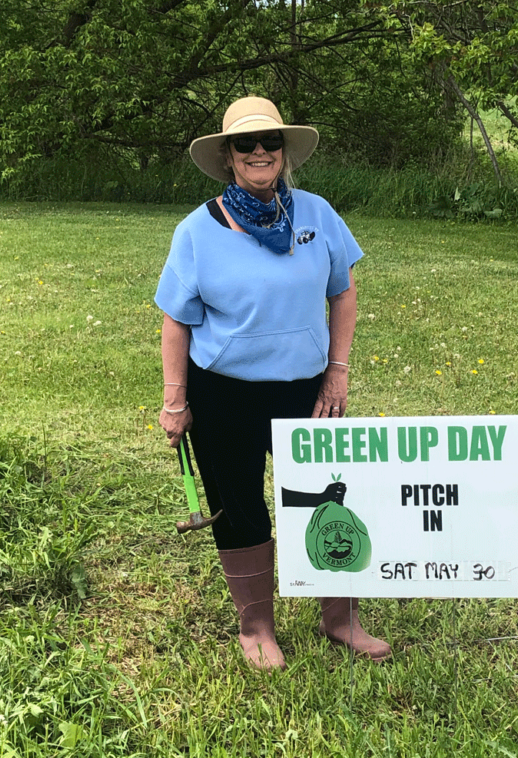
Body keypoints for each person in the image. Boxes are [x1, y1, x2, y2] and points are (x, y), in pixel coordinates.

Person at [155, 96, 391, 671]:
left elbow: (344, 292)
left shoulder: (317, 214)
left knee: (334, 498)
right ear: (228, 156)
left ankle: (341, 620)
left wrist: (337, 372)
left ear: (284, 151)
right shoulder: (195, 230)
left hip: (307, 390)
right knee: (239, 506)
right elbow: (175, 320)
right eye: (245, 143)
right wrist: (175, 401)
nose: (259, 151)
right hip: (224, 393)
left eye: (270, 142)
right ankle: (257, 626)